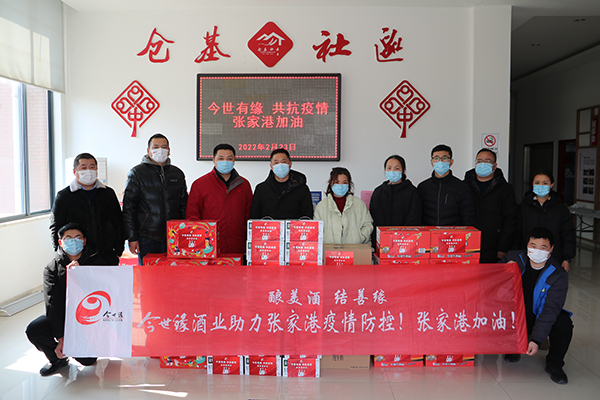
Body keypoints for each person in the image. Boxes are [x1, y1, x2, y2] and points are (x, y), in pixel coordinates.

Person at [26, 223, 109, 376]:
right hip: (64, 317)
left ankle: (81, 347)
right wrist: (61, 337)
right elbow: (53, 304)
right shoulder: (51, 268)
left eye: (77, 238)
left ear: (84, 241)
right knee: (35, 329)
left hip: (89, 318)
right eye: (68, 238)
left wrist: (80, 275)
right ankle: (57, 359)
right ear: (60, 242)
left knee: (88, 360)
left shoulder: (97, 262)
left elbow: (104, 292)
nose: (73, 241)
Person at [501, 227, 573, 385]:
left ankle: (554, 364)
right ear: (527, 245)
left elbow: (550, 310)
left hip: (537, 315)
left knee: (563, 323)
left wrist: (537, 339)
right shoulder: (514, 258)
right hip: (514, 314)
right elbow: (491, 280)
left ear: (551, 249)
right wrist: (504, 268)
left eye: (543, 247)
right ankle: (513, 347)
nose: (537, 251)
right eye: (533, 246)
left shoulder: (558, 274)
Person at [123, 133, 188, 264]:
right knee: (149, 274)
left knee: (173, 273)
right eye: (156, 147)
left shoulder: (177, 174)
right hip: (147, 237)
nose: (160, 150)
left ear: (169, 151)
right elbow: (129, 208)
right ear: (148, 151)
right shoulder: (137, 173)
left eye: (164, 147)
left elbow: (184, 206)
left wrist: (185, 233)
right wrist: (132, 237)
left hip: (174, 237)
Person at [49, 153, 123, 265]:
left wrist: (118, 250)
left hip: (106, 254)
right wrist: (61, 254)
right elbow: (55, 227)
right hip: (77, 256)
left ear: (97, 170)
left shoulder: (108, 193)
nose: (88, 171)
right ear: (74, 171)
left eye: (92, 167)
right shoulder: (64, 196)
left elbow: (118, 223)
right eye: (83, 168)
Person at [186, 143, 253, 254]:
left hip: (237, 245)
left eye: (229, 158)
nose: (225, 161)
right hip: (209, 246)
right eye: (221, 158)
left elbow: (249, 215)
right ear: (214, 160)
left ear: (234, 160)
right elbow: (192, 216)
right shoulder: (200, 184)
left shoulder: (244, 185)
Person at [464, 148, 518, 263]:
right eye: (479, 161)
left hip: (494, 246)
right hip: (467, 243)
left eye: (487, 161)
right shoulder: (464, 187)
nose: (483, 164)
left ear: (495, 165)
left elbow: (511, 219)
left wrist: (504, 247)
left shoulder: (505, 189)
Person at [518, 169, 576, 271]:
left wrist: (567, 258)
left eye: (545, 183)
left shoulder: (561, 209)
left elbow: (568, 234)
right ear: (532, 184)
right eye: (537, 183)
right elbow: (517, 233)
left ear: (551, 185)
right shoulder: (523, 208)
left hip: (554, 257)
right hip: (527, 257)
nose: (541, 186)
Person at [417, 144, 475, 226]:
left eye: (445, 158)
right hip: (428, 232)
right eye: (436, 158)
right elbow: (417, 215)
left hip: (453, 233)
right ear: (432, 162)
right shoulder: (423, 187)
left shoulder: (462, 187)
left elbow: (468, 217)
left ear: (451, 162)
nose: (440, 161)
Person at [369, 155, 422, 246]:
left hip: (405, 243)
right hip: (381, 242)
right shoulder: (378, 192)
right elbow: (373, 218)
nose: (392, 171)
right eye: (389, 168)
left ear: (403, 171)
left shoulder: (412, 192)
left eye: (397, 168)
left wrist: (401, 239)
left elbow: (414, 219)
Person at [314, 167, 373, 244]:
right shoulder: (321, 206)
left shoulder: (359, 204)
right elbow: (316, 230)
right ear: (331, 184)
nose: (340, 186)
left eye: (344, 182)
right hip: (329, 250)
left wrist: (360, 237)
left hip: (355, 249)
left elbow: (368, 224)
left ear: (349, 184)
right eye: (337, 182)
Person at [250, 148, 314, 220]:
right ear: (271, 166)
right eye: (276, 163)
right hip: (268, 227)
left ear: (290, 164)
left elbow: (307, 216)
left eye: (283, 162)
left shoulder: (302, 189)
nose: (280, 166)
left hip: (294, 227)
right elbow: (254, 217)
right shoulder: (261, 189)